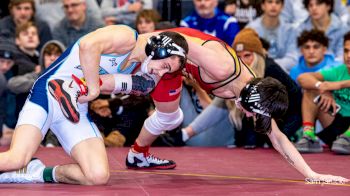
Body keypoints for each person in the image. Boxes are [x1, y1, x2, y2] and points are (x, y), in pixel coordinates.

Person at [52, 27, 346, 183]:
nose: (249, 117)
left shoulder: (254, 95)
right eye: (252, 112)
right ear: (251, 100)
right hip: (169, 49)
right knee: (143, 81)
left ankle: (138, 155)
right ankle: (75, 86)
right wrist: (142, 56)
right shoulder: (220, 65)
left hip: (180, 67)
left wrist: (312, 175)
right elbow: (175, 42)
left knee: (170, 118)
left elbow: (278, 137)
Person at [0, 25, 189, 185]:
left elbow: (112, 84)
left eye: (168, 72)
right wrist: (92, 89)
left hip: (75, 107)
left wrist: (96, 90)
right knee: (16, 158)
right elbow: (87, 45)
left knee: (97, 175)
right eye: (165, 66)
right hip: (48, 93)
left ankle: (36, 172)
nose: (162, 74)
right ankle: (21, 166)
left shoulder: (145, 71)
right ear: (159, 50)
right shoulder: (127, 37)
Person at [295, 31, 350, 154]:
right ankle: (309, 136)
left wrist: (338, 85)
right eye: (346, 51)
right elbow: (303, 78)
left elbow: (338, 84)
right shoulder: (339, 70)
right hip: (338, 126)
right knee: (311, 90)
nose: (348, 56)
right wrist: (322, 88)